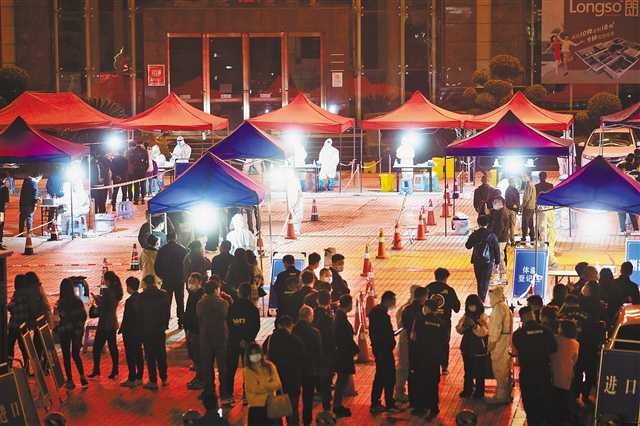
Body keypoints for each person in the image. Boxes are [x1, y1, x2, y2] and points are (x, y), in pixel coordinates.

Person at [512, 306, 557, 426]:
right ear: (533, 315)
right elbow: (553, 349)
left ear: (522, 318)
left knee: (530, 401)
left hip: (527, 373)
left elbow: (514, 353)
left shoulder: (518, 334)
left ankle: (533, 422)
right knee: (544, 399)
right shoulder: (546, 331)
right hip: (544, 371)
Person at [266, 315, 305, 426]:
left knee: (277, 410)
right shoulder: (296, 340)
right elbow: (302, 359)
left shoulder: (271, 339)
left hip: (277, 379)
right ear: (291, 326)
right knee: (293, 409)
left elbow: (267, 358)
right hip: (293, 379)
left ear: (279, 326)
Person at [196, 277, 230, 401]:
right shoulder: (223, 303)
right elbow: (226, 315)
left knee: (207, 366)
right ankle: (224, 392)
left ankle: (209, 391)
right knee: (223, 367)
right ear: (216, 290)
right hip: (221, 337)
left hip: (206, 337)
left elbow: (199, 316)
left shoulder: (200, 303)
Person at [409, 298, 443, 420]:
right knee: (433, 383)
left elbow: (413, 337)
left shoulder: (419, 320)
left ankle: (421, 406)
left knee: (420, 382)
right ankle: (434, 407)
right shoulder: (441, 323)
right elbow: (443, 341)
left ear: (427, 308)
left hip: (421, 357)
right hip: (434, 358)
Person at [226, 283, 260, 402]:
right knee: (249, 369)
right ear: (249, 294)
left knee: (230, 368)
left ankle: (228, 395)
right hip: (248, 343)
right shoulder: (253, 309)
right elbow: (256, 326)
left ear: (239, 293)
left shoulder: (232, 307)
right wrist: (247, 339)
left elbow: (229, 325)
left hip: (233, 342)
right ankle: (247, 394)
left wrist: (236, 339)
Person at [293, 305, 324, 426]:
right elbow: (318, 353)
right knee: (308, 397)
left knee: (294, 397)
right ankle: (307, 420)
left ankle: (293, 420)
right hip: (309, 369)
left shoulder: (292, 330)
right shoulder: (314, 332)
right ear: (310, 316)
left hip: (295, 369)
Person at [425, 267, 461, 375]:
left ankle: (430, 365)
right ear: (446, 278)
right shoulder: (449, 290)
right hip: (444, 323)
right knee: (444, 344)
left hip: (429, 322)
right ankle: (444, 367)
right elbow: (457, 308)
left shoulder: (428, 288)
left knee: (430, 343)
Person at [54, 278, 88, 389]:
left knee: (66, 356)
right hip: (76, 331)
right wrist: (78, 327)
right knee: (75, 354)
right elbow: (84, 316)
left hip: (65, 331)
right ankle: (82, 376)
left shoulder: (60, 303)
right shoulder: (78, 301)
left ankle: (70, 380)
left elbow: (58, 319)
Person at [89, 271, 123, 379]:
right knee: (112, 347)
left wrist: (96, 298)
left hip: (105, 323)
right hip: (112, 322)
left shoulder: (108, 292)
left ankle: (96, 370)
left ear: (108, 280)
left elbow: (104, 305)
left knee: (97, 348)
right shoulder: (116, 291)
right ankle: (115, 369)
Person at [138, 275, 170, 389]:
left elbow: (139, 314)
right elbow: (167, 312)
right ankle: (164, 378)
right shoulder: (163, 294)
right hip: (160, 329)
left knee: (150, 355)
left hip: (147, 330)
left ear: (145, 284)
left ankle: (153, 380)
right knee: (161, 354)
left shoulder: (142, 296)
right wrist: (165, 325)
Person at [368, 291, 397, 414]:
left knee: (382, 375)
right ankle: (385, 402)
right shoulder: (381, 314)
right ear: (388, 300)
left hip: (380, 349)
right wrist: (391, 341)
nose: (394, 303)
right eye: (393, 300)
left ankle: (381, 401)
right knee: (387, 376)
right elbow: (383, 333)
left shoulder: (377, 312)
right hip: (383, 350)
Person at [455, 294, 489, 399]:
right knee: (468, 370)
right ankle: (467, 390)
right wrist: (463, 326)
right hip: (467, 347)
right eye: (469, 305)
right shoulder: (466, 316)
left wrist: (474, 326)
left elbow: (485, 332)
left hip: (479, 348)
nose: (471, 307)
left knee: (479, 372)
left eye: (473, 305)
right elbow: (459, 329)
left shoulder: (483, 317)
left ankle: (479, 392)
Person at [244, 342, 283, 425]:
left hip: (271, 405)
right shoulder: (247, 370)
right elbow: (254, 388)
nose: (255, 355)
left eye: (256, 353)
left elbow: (278, 384)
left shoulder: (270, 366)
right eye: (252, 354)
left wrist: (261, 384)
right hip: (256, 408)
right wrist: (269, 386)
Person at [155, 231, 188, 328]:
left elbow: (157, 266)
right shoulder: (182, 249)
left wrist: (162, 276)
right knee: (180, 301)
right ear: (176, 238)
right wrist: (183, 277)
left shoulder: (162, 250)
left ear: (167, 238)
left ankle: (165, 323)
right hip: (179, 280)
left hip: (167, 280)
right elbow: (186, 265)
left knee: (166, 302)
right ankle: (181, 321)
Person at [486, 286, 512, 404]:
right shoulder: (504, 307)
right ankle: (505, 394)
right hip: (505, 341)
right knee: (505, 370)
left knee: (500, 370)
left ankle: (501, 397)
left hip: (499, 343)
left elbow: (495, 329)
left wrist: (491, 344)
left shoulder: (498, 309)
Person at [333, 295, 358, 418]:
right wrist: (354, 349)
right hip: (343, 355)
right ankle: (337, 406)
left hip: (342, 353)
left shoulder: (339, 316)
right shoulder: (341, 319)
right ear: (348, 304)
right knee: (341, 380)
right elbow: (345, 338)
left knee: (341, 380)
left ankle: (338, 404)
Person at [465, 215, 500, 302]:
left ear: (478, 223)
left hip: (477, 260)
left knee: (479, 280)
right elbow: (496, 248)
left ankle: (480, 297)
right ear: (487, 224)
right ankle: (482, 298)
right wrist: (497, 262)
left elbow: (468, 246)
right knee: (485, 280)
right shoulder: (491, 235)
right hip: (488, 261)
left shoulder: (474, 234)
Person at [550, 320, 579, 424]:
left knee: (555, 398)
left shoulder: (555, 339)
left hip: (554, 372)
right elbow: (574, 360)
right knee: (565, 397)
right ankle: (565, 417)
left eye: (560, 327)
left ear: (563, 329)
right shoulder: (575, 343)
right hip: (567, 374)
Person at [395, 285, 419, 404]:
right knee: (404, 367)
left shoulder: (405, 308)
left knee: (409, 367)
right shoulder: (406, 309)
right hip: (406, 341)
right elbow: (401, 325)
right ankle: (399, 392)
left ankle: (411, 391)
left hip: (409, 340)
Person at [119, 277, 144, 388]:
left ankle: (132, 378)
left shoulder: (129, 301)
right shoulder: (141, 298)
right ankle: (139, 377)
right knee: (139, 354)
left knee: (130, 355)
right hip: (139, 331)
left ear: (129, 287)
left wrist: (122, 329)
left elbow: (127, 318)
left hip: (130, 332)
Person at [313, 290, 335, 414]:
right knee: (326, 378)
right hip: (326, 352)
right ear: (329, 301)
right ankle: (326, 406)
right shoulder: (328, 318)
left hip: (315, 351)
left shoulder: (313, 314)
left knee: (318, 374)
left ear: (317, 300)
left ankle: (319, 391)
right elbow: (331, 336)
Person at [184, 273, 206, 388]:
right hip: (191, 329)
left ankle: (201, 379)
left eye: (193, 281)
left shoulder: (201, 295)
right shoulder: (192, 294)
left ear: (200, 282)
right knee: (194, 355)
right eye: (189, 281)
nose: (190, 284)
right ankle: (198, 377)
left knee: (198, 356)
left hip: (197, 330)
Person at [489, 196, 512, 275]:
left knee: (499, 255)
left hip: (500, 238)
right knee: (498, 255)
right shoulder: (501, 212)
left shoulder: (501, 213)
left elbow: (500, 227)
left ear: (501, 203)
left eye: (495, 202)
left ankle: (502, 272)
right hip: (502, 238)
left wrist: (495, 238)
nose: (494, 204)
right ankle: (498, 271)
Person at [127, 140, 149, 204]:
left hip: (135, 171)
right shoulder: (145, 151)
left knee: (136, 185)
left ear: (136, 144)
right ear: (141, 143)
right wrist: (144, 169)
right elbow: (147, 162)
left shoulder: (133, 151)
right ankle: (142, 199)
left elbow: (131, 161)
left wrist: (134, 168)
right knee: (142, 185)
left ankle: (136, 200)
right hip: (142, 171)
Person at [521, 174, 536, 244]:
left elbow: (527, 197)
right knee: (530, 223)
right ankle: (532, 238)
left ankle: (524, 238)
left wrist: (522, 205)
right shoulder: (532, 184)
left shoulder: (528, 185)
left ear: (528, 177)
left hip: (527, 207)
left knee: (525, 223)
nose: (523, 177)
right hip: (531, 207)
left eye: (524, 176)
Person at [504, 178, 520, 244]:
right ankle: (511, 240)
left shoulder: (508, 190)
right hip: (512, 210)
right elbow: (516, 200)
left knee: (508, 226)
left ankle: (508, 240)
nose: (514, 183)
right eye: (513, 182)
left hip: (509, 210)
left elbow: (507, 200)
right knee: (511, 226)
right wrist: (515, 206)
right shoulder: (513, 190)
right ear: (511, 182)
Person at [0, 173, 9, 249]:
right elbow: (6, 203)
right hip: (1, 211)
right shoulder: (4, 188)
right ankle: (0, 243)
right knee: (0, 226)